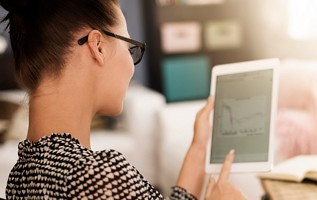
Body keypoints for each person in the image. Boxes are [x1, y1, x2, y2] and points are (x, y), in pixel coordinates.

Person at [0, 0, 245, 199]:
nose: (131, 66)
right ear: (98, 46)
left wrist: (199, 145)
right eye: (130, 48)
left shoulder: (22, 175)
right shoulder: (97, 175)